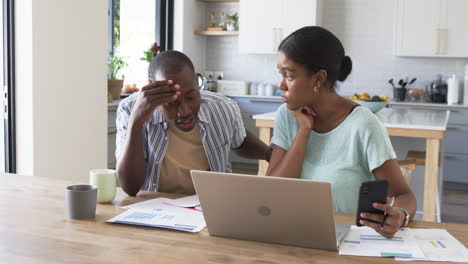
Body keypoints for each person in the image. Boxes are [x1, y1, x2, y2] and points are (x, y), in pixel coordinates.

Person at [267, 26, 416, 238]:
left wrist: (400, 215)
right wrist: (304, 131)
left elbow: (404, 195)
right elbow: (273, 191)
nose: (281, 85)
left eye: (289, 76)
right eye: (280, 74)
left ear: (318, 78)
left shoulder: (363, 124)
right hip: (291, 235)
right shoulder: (287, 115)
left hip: (346, 243)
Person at [116, 50, 271, 196]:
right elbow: (130, 188)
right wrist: (136, 122)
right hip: (155, 206)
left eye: (191, 97)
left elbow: (239, 140)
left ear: (197, 83)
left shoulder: (222, 107)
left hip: (209, 204)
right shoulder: (130, 110)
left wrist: (269, 153)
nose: (184, 111)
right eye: (171, 102)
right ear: (151, 88)